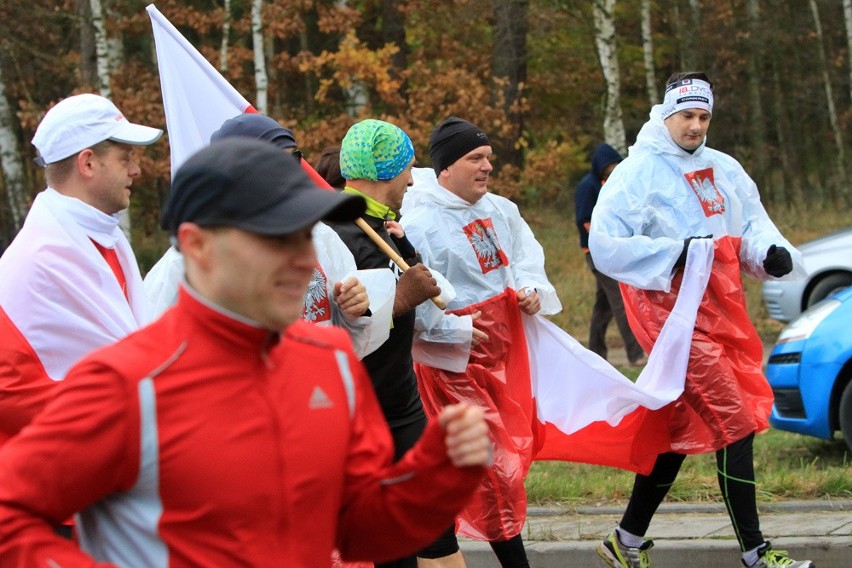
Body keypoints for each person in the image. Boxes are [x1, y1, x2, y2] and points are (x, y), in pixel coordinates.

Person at [0, 138, 492, 567]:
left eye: (306, 236)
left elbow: (359, 528)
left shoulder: (330, 361)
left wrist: (438, 473)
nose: (304, 261)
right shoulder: (128, 382)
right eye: (276, 239)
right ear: (198, 247)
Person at [588, 71, 811, 568]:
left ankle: (623, 542)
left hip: (719, 304)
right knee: (735, 423)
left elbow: (752, 225)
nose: (695, 126)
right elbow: (606, 245)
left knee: (682, 428)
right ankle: (756, 553)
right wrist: (675, 253)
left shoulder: (724, 168)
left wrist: (771, 253)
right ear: (666, 116)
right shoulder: (636, 173)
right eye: (686, 116)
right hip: (668, 311)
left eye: (703, 116)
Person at [400, 117, 563, 568]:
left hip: (504, 362)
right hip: (451, 371)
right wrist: (458, 330)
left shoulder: (501, 210)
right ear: (447, 168)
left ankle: (434, 550)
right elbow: (414, 301)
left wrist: (532, 290)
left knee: (484, 468)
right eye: (476, 158)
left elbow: (527, 259)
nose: (488, 166)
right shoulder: (421, 223)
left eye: (489, 157)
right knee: (494, 473)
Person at [327, 119, 470, 568]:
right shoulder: (338, 235)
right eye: (407, 168)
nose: (412, 178)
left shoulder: (384, 228)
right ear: (386, 171)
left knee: (432, 532)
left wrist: (409, 260)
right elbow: (338, 332)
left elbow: (427, 291)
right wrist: (398, 300)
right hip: (365, 417)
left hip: (403, 407)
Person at [143, 113, 393, 359]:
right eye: (276, 242)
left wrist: (355, 313)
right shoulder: (177, 270)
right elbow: (156, 358)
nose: (304, 260)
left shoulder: (323, 236)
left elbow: (346, 347)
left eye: (293, 159)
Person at [0, 93, 162, 447]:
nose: (136, 170)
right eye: (125, 158)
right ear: (87, 163)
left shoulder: (104, 238)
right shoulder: (43, 260)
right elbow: (16, 391)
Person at [575, 143, 646, 367]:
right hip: (596, 252)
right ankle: (636, 355)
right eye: (609, 165)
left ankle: (595, 355)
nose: (613, 168)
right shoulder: (588, 186)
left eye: (616, 163)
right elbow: (584, 219)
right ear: (600, 166)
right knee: (622, 299)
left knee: (603, 306)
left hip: (615, 250)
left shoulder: (615, 184)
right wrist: (603, 238)